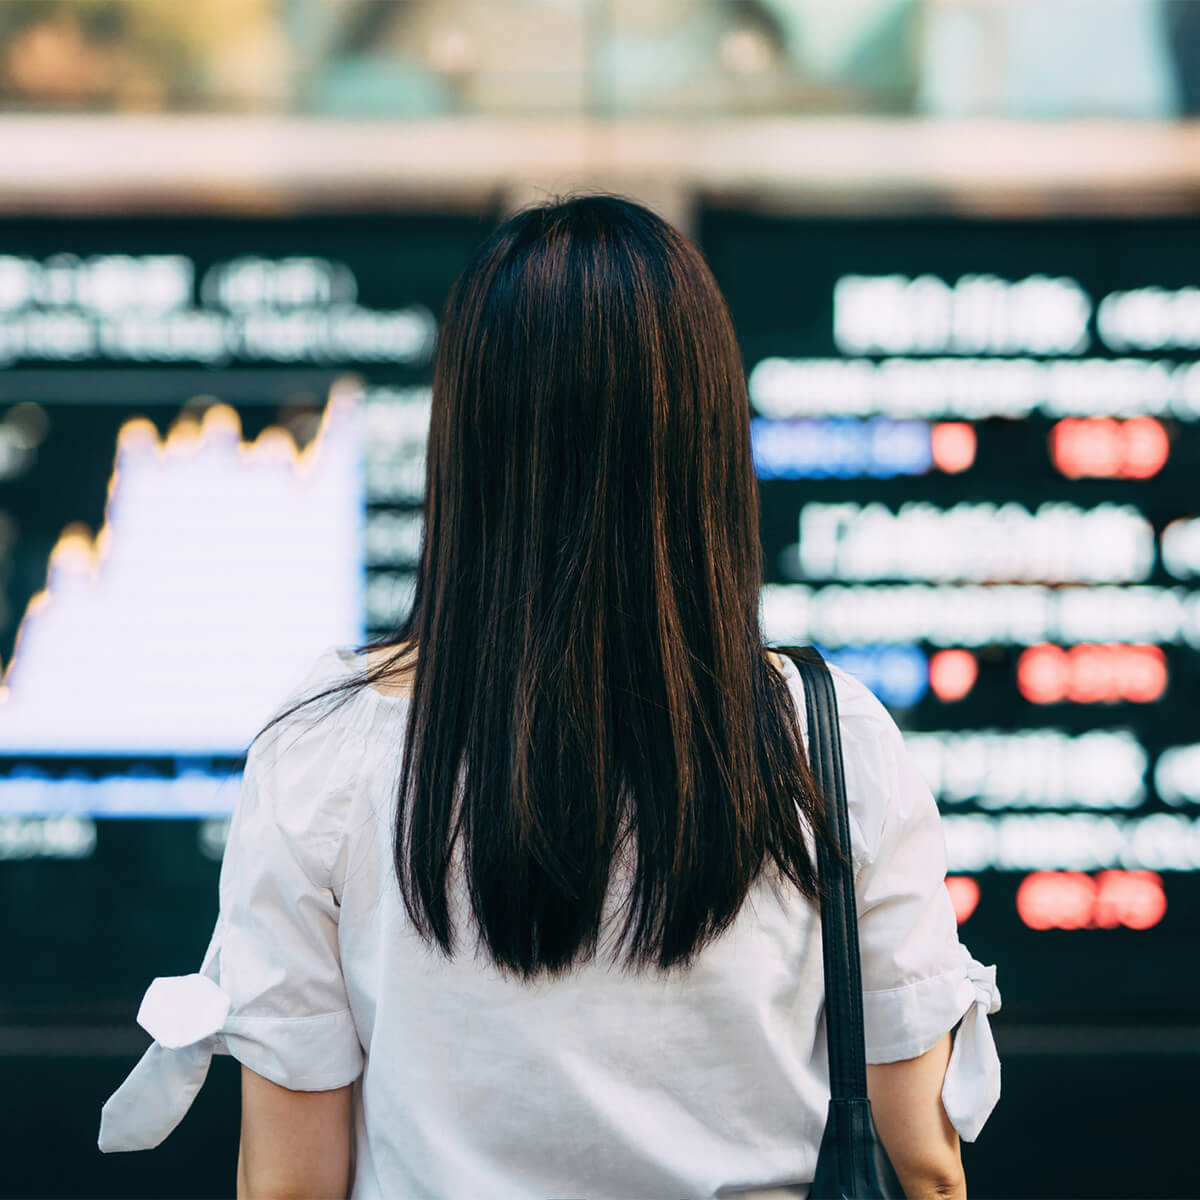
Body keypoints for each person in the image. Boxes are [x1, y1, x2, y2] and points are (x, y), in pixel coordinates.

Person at [98, 193, 1000, 1199]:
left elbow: (290, 1185)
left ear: (466, 443)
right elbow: (921, 1167)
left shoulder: (325, 752)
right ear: (704, 443)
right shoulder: (827, 744)